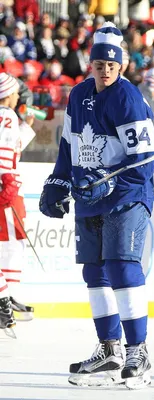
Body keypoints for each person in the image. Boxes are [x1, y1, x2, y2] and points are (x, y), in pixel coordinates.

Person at [39, 22, 154, 389]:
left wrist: (106, 184)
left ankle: (138, 351)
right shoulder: (77, 95)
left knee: (122, 269)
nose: (105, 69)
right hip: (90, 198)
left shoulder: (127, 98)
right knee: (94, 273)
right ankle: (109, 350)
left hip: (126, 198)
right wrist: (57, 183)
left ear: (120, 65)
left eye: (111, 64)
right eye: (98, 64)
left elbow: (146, 160)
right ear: (90, 65)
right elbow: (68, 146)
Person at [0, 73, 36, 334]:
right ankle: (4, 299)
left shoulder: (10, 119)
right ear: (9, 94)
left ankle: (6, 297)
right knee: (13, 245)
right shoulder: (8, 116)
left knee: (13, 244)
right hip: (8, 188)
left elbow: (13, 146)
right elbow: (6, 151)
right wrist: (8, 183)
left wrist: (28, 126)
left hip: (8, 185)